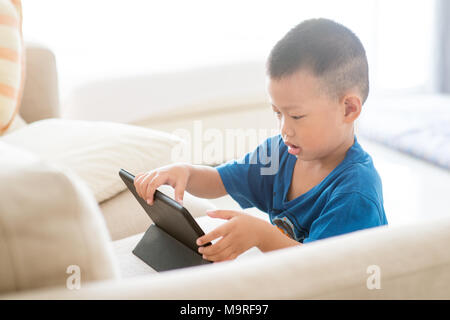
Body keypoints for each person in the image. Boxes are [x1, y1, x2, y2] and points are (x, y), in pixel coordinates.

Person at [134, 18, 388, 262]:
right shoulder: (279, 154)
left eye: (297, 116)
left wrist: (263, 236)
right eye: (278, 113)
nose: (284, 129)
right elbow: (220, 181)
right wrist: (186, 173)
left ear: (348, 109)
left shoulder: (356, 193)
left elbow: (319, 269)